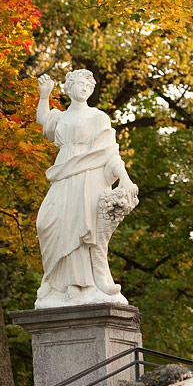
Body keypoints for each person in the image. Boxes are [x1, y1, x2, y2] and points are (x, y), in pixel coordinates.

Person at [35, 70, 139, 308]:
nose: (84, 88)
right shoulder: (59, 117)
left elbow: (110, 153)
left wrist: (124, 178)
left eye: (88, 85)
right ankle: (54, 280)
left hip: (88, 175)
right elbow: (43, 120)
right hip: (64, 172)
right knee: (47, 222)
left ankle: (79, 284)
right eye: (79, 84)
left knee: (80, 226)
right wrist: (44, 95)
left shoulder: (98, 118)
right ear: (69, 88)